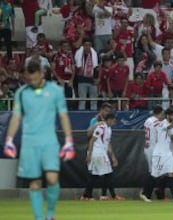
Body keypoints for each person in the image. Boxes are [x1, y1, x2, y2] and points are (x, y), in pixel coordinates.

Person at [3, 61, 75, 220]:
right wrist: (9, 139)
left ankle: (50, 214)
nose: (33, 82)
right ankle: (38, 218)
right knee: (34, 183)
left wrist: (69, 140)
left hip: (49, 141)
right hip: (29, 143)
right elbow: (16, 117)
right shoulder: (21, 93)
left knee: (52, 178)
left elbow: (63, 115)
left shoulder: (55, 91)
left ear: (42, 74)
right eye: (30, 79)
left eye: (35, 79)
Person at [149, 107, 173, 202]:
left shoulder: (168, 123)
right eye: (172, 115)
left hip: (168, 152)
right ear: (167, 115)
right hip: (160, 153)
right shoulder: (161, 123)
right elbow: (170, 127)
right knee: (155, 175)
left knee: (171, 173)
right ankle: (146, 193)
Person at [86, 113, 125, 201]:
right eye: (114, 121)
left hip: (102, 153)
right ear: (109, 120)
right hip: (97, 153)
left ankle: (87, 195)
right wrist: (89, 155)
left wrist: (113, 157)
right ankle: (107, 195)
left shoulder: (109, 129)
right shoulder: (101, 128)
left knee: (96, 175)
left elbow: (108, 143)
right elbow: (92, 140)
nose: (114, 123)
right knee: (107, 174)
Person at [140, 105, 164, 202]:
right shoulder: (156, 122)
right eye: (163, 114)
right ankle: (145, 193)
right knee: (154, 172)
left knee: (156, 171)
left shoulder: (148, 120)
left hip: (149, 147)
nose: (163, 116)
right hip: (153, 148)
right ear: (160, 113)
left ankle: (150, 193)